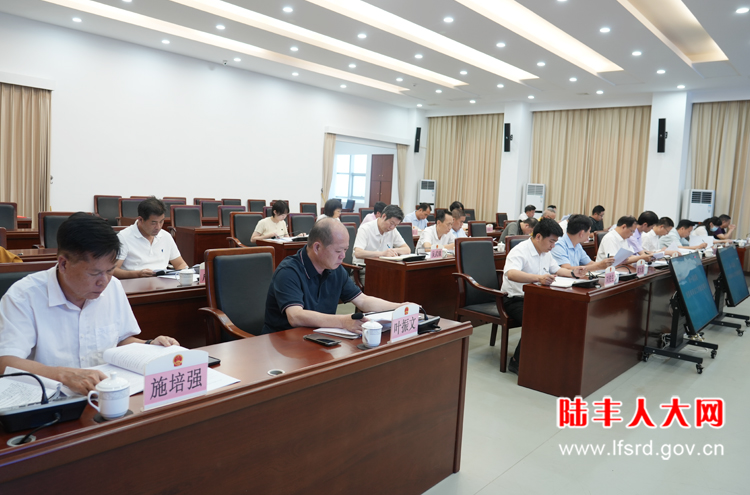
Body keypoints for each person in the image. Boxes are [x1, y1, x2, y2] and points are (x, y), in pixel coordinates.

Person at [0, 213, 179, 395]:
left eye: (110, 271)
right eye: (94, 273)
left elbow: (121, 340)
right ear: (63, 264)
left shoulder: (114, 286)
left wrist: (149, 345)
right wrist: (62, 375)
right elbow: (5, 362)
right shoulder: (23, 296)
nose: (104, 281)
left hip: (105, 394)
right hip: (49, 400)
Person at [262, 219, 407, 334]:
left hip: (319, 337)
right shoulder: (289, 271)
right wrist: (343, 321)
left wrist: (400, 307)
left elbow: (363, 300)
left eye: (345, 250)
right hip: (283, 342)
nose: (343, 256)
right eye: (338, 251)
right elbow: (295, 316)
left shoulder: (335, 269)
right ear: (317, 247)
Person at [501, 219, 586, 374]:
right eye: (551, 241)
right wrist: (538, 278)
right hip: (515, 300)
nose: (553, 246)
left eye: (555, 242)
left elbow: (557, 270)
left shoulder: (546, 253)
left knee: (565, 314)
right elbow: (511, 273)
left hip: (539, 298)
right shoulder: (520, 250)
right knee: (539, 319)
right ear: (539, 236)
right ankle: (516, 362)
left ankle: (547, 356)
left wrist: (574, 273)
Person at [114, 197, 188, 279]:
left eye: (161, 221)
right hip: (135, 282)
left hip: (163, 283)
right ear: (140, 220)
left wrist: (187, 274)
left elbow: (180, 264)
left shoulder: (166, 236)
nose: (158, 227)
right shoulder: (124, 237)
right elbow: (113, 270)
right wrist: (137, 274)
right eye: (153, 223)